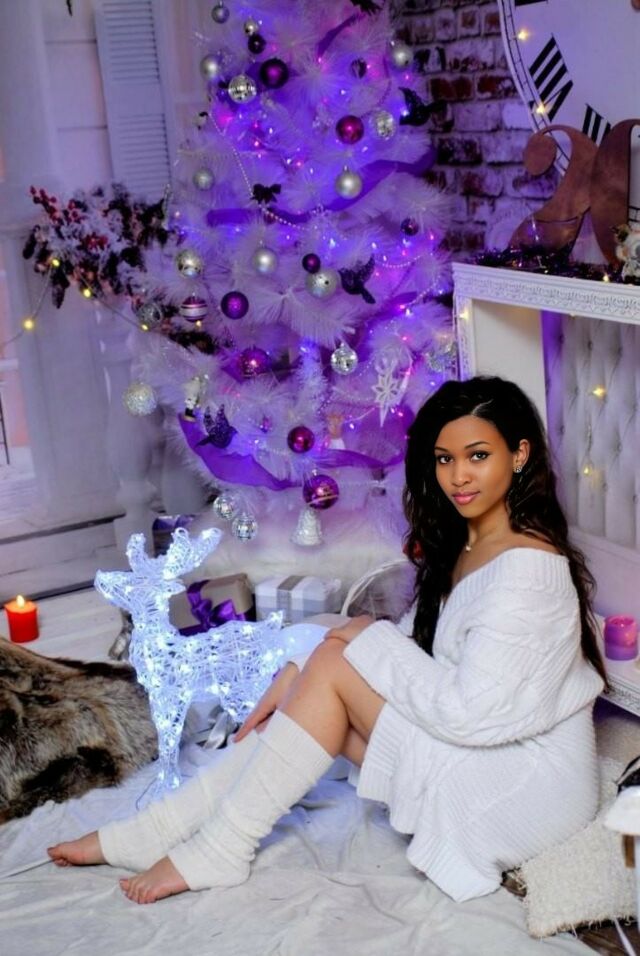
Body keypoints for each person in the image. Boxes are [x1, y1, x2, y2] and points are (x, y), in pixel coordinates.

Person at [48, 376, 606, 905]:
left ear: (519, 455)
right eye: (445, 459)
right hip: (483, 749)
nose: (459, 476)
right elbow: (405, 649)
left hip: (524, 792)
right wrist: (303, 663)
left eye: (478, 456)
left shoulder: (528, 575)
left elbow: (469, 712)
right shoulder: (469, 543)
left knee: (336, 665)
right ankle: (162, 829)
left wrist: (344, 648)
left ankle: (218, 846)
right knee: (325, 658)